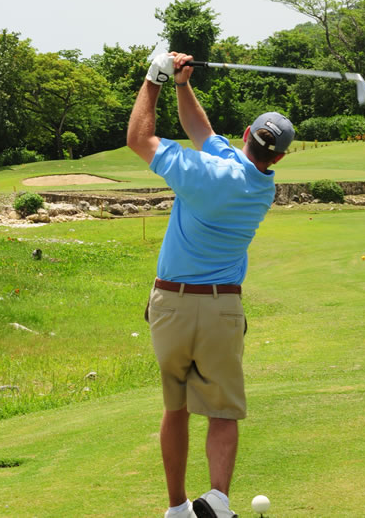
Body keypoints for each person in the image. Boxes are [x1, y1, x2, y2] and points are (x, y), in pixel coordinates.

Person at [127, 51, 294, 518]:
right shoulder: (261, 187)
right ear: (279, 156)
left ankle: (177, 508)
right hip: (222, 310)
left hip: (171, 306)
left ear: (245, 135)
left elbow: (139, 138)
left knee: (175, 407)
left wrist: (155, 78)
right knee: (222, 410)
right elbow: (202, 132)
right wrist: (183, 85)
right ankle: (218, 499)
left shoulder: (203, 172)